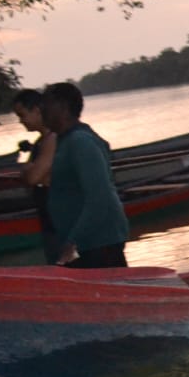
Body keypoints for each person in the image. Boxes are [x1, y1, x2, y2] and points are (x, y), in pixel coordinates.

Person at [39, 81, 129, 268]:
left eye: (46, 104)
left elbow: (99, 197)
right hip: (85, 242)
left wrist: (72, 243)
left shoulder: (81, 142)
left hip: (98, 242)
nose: (42, 110)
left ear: (63, 108)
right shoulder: (64, 141)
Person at [12, 88, 60, 262]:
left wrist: (28, 170)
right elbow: (32, 176)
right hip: (49, 219)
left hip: (59, 221)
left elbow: (32, 177)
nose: (21, 121)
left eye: (22, 115)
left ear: (37, 111)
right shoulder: (42, 142)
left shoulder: (52, 139)